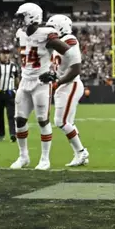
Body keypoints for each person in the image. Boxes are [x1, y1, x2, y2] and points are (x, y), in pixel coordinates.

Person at [10, 3, 72, 170]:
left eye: (22, 16)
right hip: (25, 80)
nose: (20, 21)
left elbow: (68, 51)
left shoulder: (47, 34)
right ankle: (23, 156)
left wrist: (55, 73)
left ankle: (45, 159)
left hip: (41, 83)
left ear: (31, 16)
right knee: (19, 119)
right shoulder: (21, 33)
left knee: (42, 121)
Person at [43, 14, 89, 167]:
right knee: (67, 122)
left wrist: (58, 82)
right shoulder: (59, 44)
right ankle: (80, 153)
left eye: (51, 27)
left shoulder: (69, 39)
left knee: (61, 122)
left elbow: (76, 68)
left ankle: (81, 152)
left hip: (71, 84)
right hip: (64, 84)